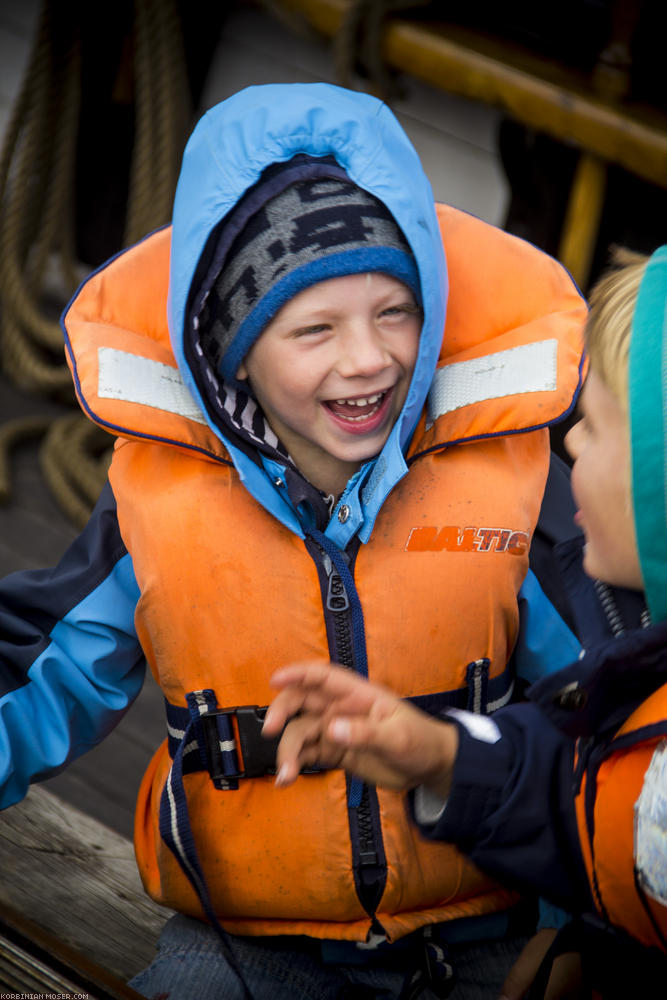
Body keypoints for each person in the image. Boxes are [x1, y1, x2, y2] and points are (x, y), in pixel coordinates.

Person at [0, 80, 603, 999]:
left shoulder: (516, 484)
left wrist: (573, 937)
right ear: (231, 356)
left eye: (395, 311)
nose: (367, 358)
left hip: (487, 932)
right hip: (251, 946)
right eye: (314, 328)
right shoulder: (154, 507)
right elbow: (42, 676)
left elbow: (601, 704)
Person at [266, 245, 667, 996]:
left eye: (599, 424)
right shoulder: (636, 650)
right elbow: (584, 794)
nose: (568, 439)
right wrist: (439, 755)